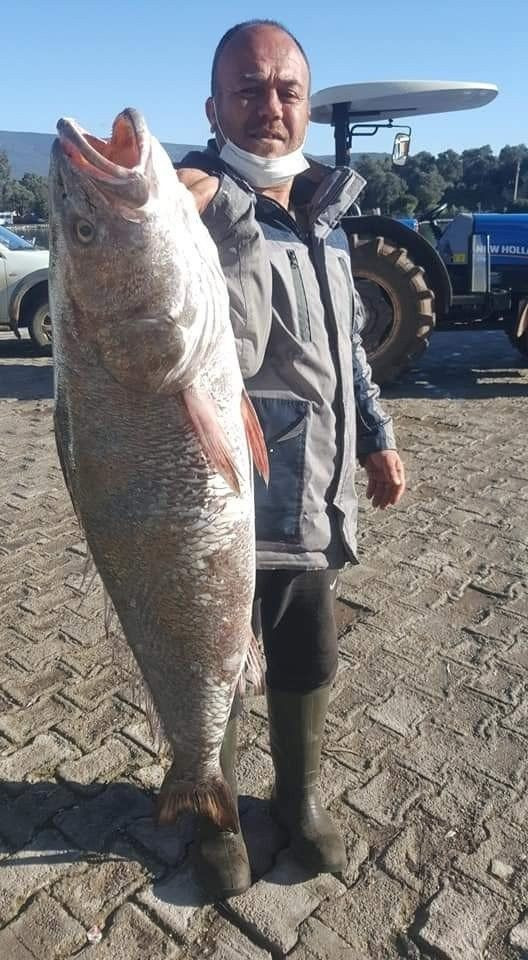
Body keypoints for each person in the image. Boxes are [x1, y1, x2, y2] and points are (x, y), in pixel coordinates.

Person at [177, 19, 406, 899]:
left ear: (305, 102)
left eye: (286, 90)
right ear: (214, 105)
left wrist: (379, 439)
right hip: (231, 502)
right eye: (248, 88)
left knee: (308, 656)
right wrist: (200, 213)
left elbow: (348, 350)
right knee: (221, 668)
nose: (269, 105)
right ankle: (214, 815)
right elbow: (206, 356)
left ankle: (301, 804)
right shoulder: (192, 214)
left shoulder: (328, 217)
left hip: (318, 500)